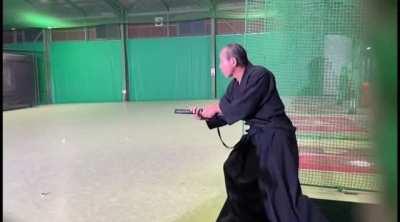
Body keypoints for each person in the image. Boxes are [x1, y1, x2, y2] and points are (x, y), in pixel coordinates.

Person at [191, 43, 328, 222]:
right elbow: (229, 110)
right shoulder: (234, 85)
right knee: (234, 167)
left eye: (221, 61)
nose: (219, 66)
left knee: (282, 194)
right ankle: (249, 216)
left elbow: (242, 107)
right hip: (258, 136)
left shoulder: (260, 75)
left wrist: (216, 108)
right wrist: (206, 116)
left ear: (233, 61)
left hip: (276, 136)